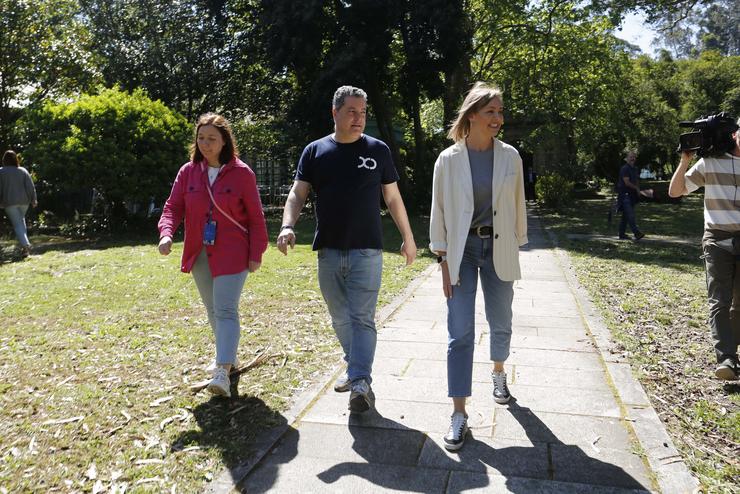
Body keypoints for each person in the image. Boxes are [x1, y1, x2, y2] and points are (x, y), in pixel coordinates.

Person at [276, 85, 417, 414]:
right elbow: (298, 194)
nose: (359, 118)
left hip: (367, 250)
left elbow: (392, 198)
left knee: (362, 318)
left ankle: (360, 381)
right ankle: (355, 367)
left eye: (363, 112)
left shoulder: (378, 150)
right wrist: (287, 225)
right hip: (328, 251)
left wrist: (408, 238)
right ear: (335, 112)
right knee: (340, 318)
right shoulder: (315, 151)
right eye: (352, 111)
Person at [429, 82, 528, 451]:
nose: (498, 119)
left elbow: (518, 203)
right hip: (462, 251)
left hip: (499, 248)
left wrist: (519, 243)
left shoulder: (511, 157)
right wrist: (442, 259)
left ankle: (498, 372)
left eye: (500, 112)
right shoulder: (448, 159)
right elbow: (439, 211)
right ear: (472, 114)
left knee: (501, 320)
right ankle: (459, 413)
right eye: (491, 112)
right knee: (459, 332)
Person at [158, 113, 268, 397]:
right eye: (201, 138)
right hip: (199, 251)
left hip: (233, 251)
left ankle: (221, 370)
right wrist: (167, 233)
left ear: (224, 142)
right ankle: (229, 357)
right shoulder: (188, 172)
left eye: (212, 139)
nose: (205, 144)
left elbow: (256, 218)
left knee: (226, 308)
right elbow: (173, 207)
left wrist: (257, 252)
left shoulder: (242, 173)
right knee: (212, 309)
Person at [669, 117, 740, 381]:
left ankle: (732, 353)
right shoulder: (709, 162)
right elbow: (676, 191)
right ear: (735, 135)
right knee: (719, 301)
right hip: (717, 239)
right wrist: (684, 159)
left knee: (738, 305)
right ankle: (727, 358)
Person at [0, 150, 37, 257]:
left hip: (9, 202)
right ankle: (25, 251)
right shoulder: (23, 170)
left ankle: (26, 245)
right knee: (21, 222)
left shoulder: (1, 171)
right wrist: (34, 199)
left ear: (4, 160)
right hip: (24, 202)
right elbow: (30, 187)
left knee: (17, 224)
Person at [616, 150, 645, 240]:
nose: (632, 158)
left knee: (626, 216)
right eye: (630, 157)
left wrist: (638, 190)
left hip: (632, 195)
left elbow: (636, 181)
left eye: (634, 157)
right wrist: (636, 188)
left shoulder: (635, 169)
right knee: (630, 215)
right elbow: (627, 182)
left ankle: (621, 234)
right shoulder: (625, 168)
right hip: (625, 195)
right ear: (626, 158)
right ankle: (636, 233)